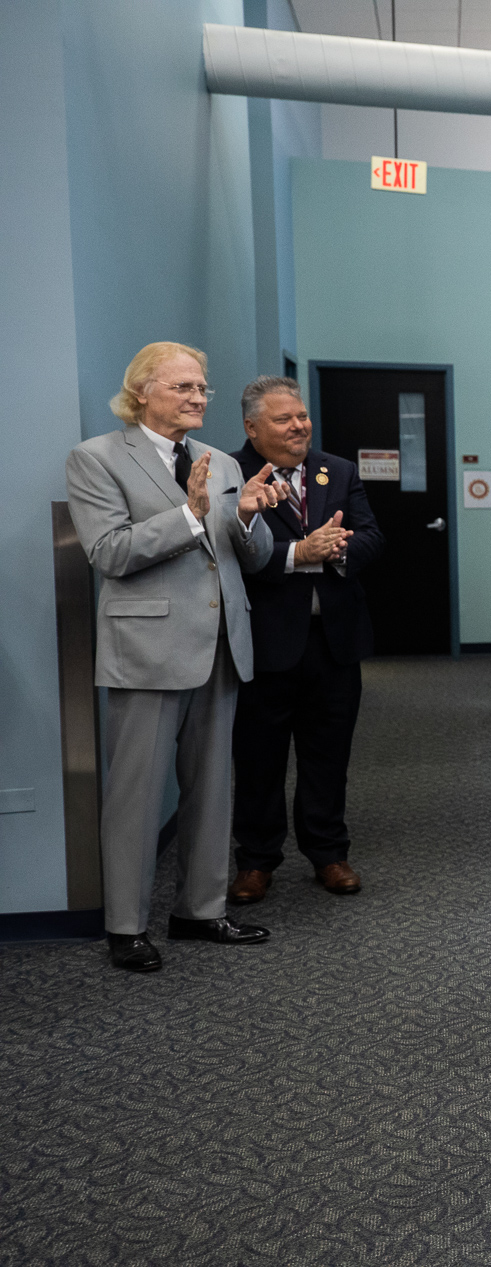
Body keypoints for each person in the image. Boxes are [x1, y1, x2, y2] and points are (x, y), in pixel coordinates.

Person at [63, 342, 284, 972]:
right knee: (135, 798)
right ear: (141, 392)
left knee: (213, 791)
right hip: (148, 650)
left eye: (202, 387)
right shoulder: (97, 458)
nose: (198, 397)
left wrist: (247, 519)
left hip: (220, 647)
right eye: (183, 387)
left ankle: (200, 911)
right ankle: (126, 926)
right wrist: (189, 514)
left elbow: (252, 557)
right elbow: (109, 553)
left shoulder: (223, 462)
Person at [226, 377, 385, 905]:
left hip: (333, 642)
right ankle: (256, 861)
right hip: (264, 641)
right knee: (259, 759)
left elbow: (371, 534)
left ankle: (329, 853)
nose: (299, 426)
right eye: (283, 419)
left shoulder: (336, 470)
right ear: (252, 427)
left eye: (302, 416)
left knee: (328, 755)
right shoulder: (230, 473)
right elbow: (228, 551)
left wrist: (339, 549)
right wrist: (300, 553)